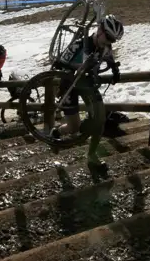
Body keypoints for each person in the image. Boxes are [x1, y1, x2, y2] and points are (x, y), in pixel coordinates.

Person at [52, 15, 123, 168]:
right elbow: (59, 65)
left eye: (113, 40)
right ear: (99, 30)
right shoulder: (79, 45)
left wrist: (115, 70)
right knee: (73, 127)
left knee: (100, 120)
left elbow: (109, 58)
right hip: (69, 86)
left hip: (88, 85)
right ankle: (56, 133)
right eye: (108, 37)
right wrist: (80, 67)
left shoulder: (106, 47)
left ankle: (92, 156)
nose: (109, 42)